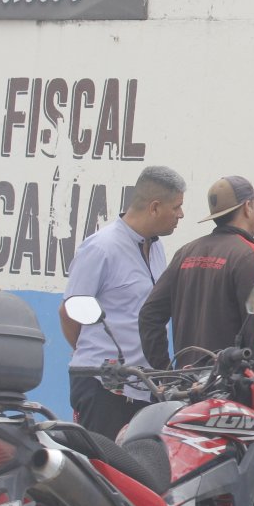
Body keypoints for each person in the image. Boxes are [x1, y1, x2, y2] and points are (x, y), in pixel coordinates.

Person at [138, 175, 254, 416]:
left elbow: (149, 316)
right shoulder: (249, 254)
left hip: (187, 392)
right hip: (230, 394)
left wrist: (167, 374)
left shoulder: (187, 251)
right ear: (248, 207)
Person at [60, 166, 186, 438]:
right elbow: (70, 312)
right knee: (102, 473)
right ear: (154, 207)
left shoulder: (155, 248)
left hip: (144, 388)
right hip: (104, 387)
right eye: (176, 207)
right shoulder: (101, 248)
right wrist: (95, 357)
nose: (181, 215)